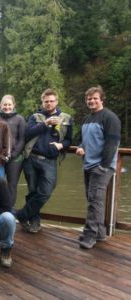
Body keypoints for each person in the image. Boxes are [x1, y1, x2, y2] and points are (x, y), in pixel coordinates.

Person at [15, 89, 73, 233]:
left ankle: (22, 215)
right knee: (33, 191)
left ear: (56, 102)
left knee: (45, 191)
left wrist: (61, 145)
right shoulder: (36, 117)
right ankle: (35, 222)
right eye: (46, 101)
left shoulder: (66, 118)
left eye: (51, 101)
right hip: (31, 158)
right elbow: (26, 134)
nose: (49, 103)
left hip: (50, 160)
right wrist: (45, 124)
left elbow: (69, 140)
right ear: (42, 102)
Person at [76, 86, 121, 249]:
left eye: (95, 98)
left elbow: (112, 144)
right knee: (93, 199)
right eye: (89, 98)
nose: (91, 101)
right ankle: (100, 232)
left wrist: (103, 166)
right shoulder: (87, 118)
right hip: (88, 164)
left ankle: (90, 235)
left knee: (94, 200)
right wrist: (81, 147)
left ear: (102, 99)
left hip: (102, 167)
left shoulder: (110, 118)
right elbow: (84, 140)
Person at [0, 95, 26, 206]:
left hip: (15, 159)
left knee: (12, 186)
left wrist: (13, 154)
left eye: (9, 104)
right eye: (5, 104)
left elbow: (22, 139)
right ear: (1, 105)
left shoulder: (20, 119)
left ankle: (9, 210)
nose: (7, 107)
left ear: (14, 105)